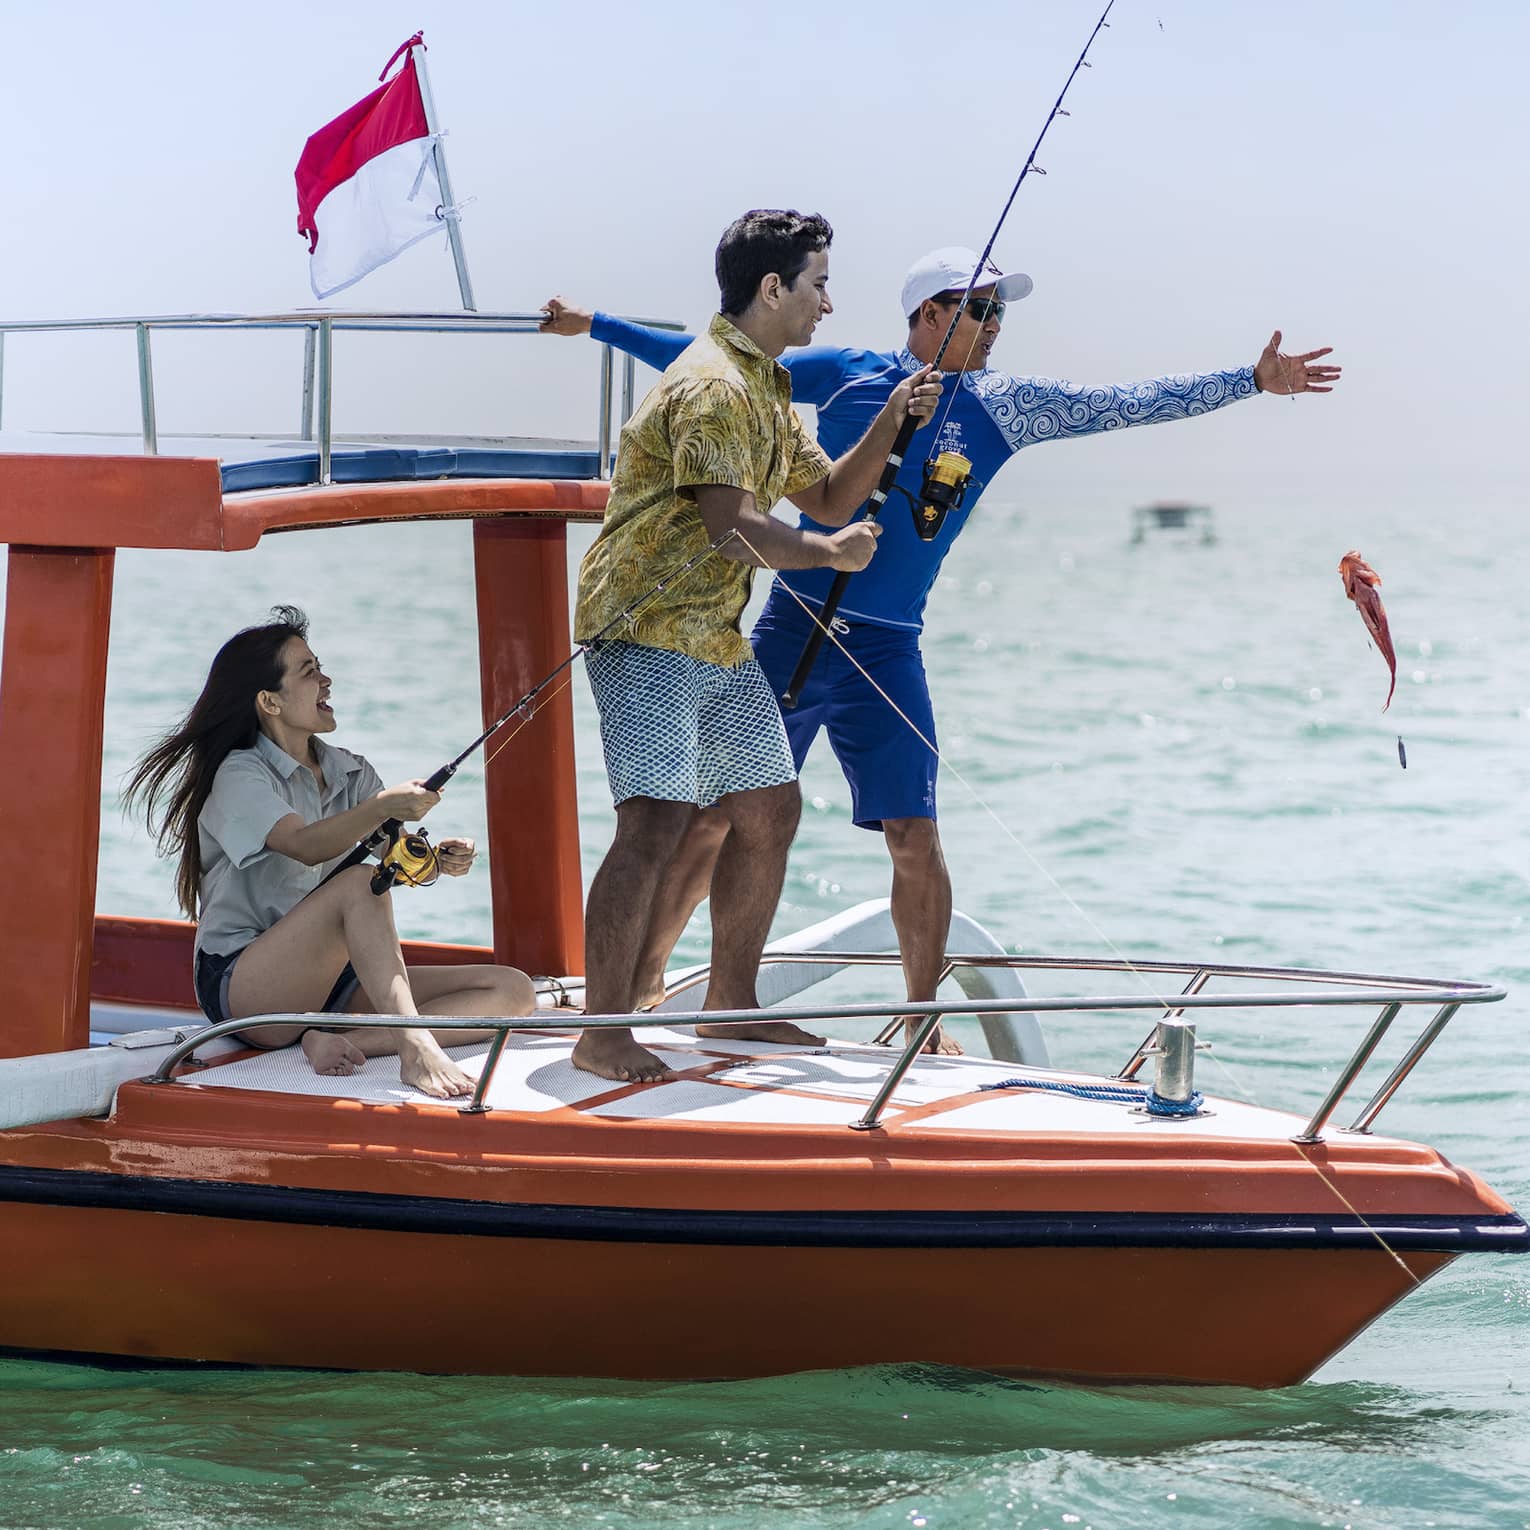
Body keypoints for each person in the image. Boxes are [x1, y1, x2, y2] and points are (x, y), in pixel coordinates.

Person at [543, 245, 1342, 1054]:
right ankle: (639, 989)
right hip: (796, 623)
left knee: (914, 836)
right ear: (931, 314)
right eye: (982, 309)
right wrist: (595, 325)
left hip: (889, 646)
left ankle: (920, 1019)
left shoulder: (1010, 405)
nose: (997, 327)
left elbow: (1124, 402)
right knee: (714, 817)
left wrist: (1249, 380)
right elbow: (705, 359)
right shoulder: (851, 372)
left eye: (1002, 312)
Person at [572, 209, 943, 1084]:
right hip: (641, 628)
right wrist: (826, 556)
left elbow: (825, 496)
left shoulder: (767, 386)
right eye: (817, 283)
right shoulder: (713, 386)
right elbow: (733, 526)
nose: (827, 302)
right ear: (772, 288)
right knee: (655, 822)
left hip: (713, 634)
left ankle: (729, 1002)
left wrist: (892, 416)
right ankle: (603, 1031)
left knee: (769, 807)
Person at [126, 606, 536, 1099]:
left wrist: (438, 861)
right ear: (269, 701)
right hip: (247, 988)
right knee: (358, 883)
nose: (327, 680)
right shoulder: (239, 776)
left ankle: (337, 1039)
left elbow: (393, 851)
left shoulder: (351, 771)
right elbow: (304, 845)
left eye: (320, 666)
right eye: (309, 672)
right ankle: (415, 1048)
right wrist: (384, 806)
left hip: (329, 987)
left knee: (512, 991)